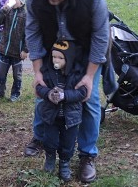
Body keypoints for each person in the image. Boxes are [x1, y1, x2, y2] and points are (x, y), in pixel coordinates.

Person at [24, 0, 110, 183]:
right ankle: (40, 138)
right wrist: (37, 72)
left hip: (84, 54)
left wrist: (90, 76)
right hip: (53, 53)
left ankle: (87, 155)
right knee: (43, 95)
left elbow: (101, 36)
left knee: (88, 101)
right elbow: (32, 32)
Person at [36, 40, 87, 182]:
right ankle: (50, 158)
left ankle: (64, 163)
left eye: (60, 58)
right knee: (49, 140)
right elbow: (39, 88)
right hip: (51, 116)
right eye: (53, 57)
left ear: (69, 58)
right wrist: (48, 93)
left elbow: (82, 93)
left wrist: (65, 96)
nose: (55, 60)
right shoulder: (47, 71)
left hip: (70, 118)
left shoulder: (77, 74)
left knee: (68, 142)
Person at [0, 0, 28, 102]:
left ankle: (15, 93)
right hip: (4, 49)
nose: (13, 0)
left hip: (17, 52)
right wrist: (4, 9)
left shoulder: (26, 16)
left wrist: (25, 49)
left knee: (17, 75)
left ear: (22, 1)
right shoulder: (7, 11)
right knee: (1, 73)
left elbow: (29, 35)